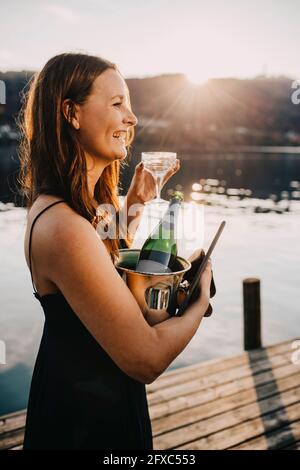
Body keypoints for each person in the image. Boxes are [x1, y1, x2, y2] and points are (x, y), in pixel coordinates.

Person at [19, 52, 212, 450]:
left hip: (90, 402)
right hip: (85, 424)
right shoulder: (64, 228)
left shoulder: (69, 209)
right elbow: (146, 359)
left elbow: (103, 250)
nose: (132, 118)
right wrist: (200, 298)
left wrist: (136, 202)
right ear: (71, 113)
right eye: (117, 103)